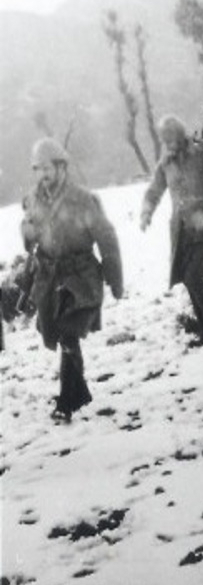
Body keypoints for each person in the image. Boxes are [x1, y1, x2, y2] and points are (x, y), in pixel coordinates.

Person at [21, 137, 123, 421]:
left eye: (47, 168)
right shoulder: (35, 198)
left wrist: (114, 279)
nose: (42, 175)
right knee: (54, 333)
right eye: (37, 169)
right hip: (51, 280)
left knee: (68, 334)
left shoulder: (82, 199)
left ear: (61, 166)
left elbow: (106, 237)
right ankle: (81, 393)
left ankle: (67, 401)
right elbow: (30, 238)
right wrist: (27, 228)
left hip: (81, 279)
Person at [140, 114, 203, 346]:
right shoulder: (166, 162)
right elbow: (154, 189)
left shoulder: (201, 153)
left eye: (173, 139)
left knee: (194, 276)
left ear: (181, 135)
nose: (170, 145)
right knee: (187, 278)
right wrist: (146, 212)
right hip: (182, 230)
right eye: (166, 141)